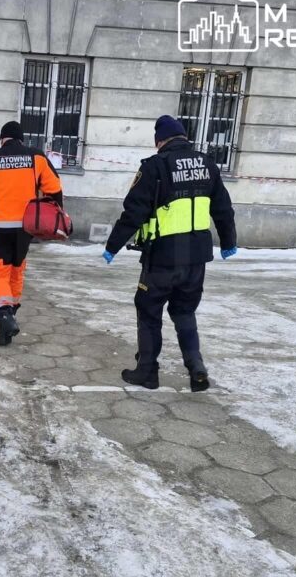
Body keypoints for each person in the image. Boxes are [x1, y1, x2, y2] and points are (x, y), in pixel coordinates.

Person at [102, 115, 237, 392]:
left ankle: (147, 372)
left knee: (149, 310)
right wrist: (228, 242)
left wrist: (112, 246)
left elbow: (134, 212)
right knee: (185, 311)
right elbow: (223, 209)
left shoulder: (155, 166)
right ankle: (196, 367)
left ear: (160, 141)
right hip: (197, 258)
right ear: (184, 138)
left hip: (162, 257)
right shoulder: (207, 164)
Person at [0, 120, 63, 346]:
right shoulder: (36, 158)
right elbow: (54, 188)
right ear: (21, 139)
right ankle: (10, 318)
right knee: (17, 271)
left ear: (2, 139)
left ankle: (5, 314)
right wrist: (57, 214)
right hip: (26, 229)